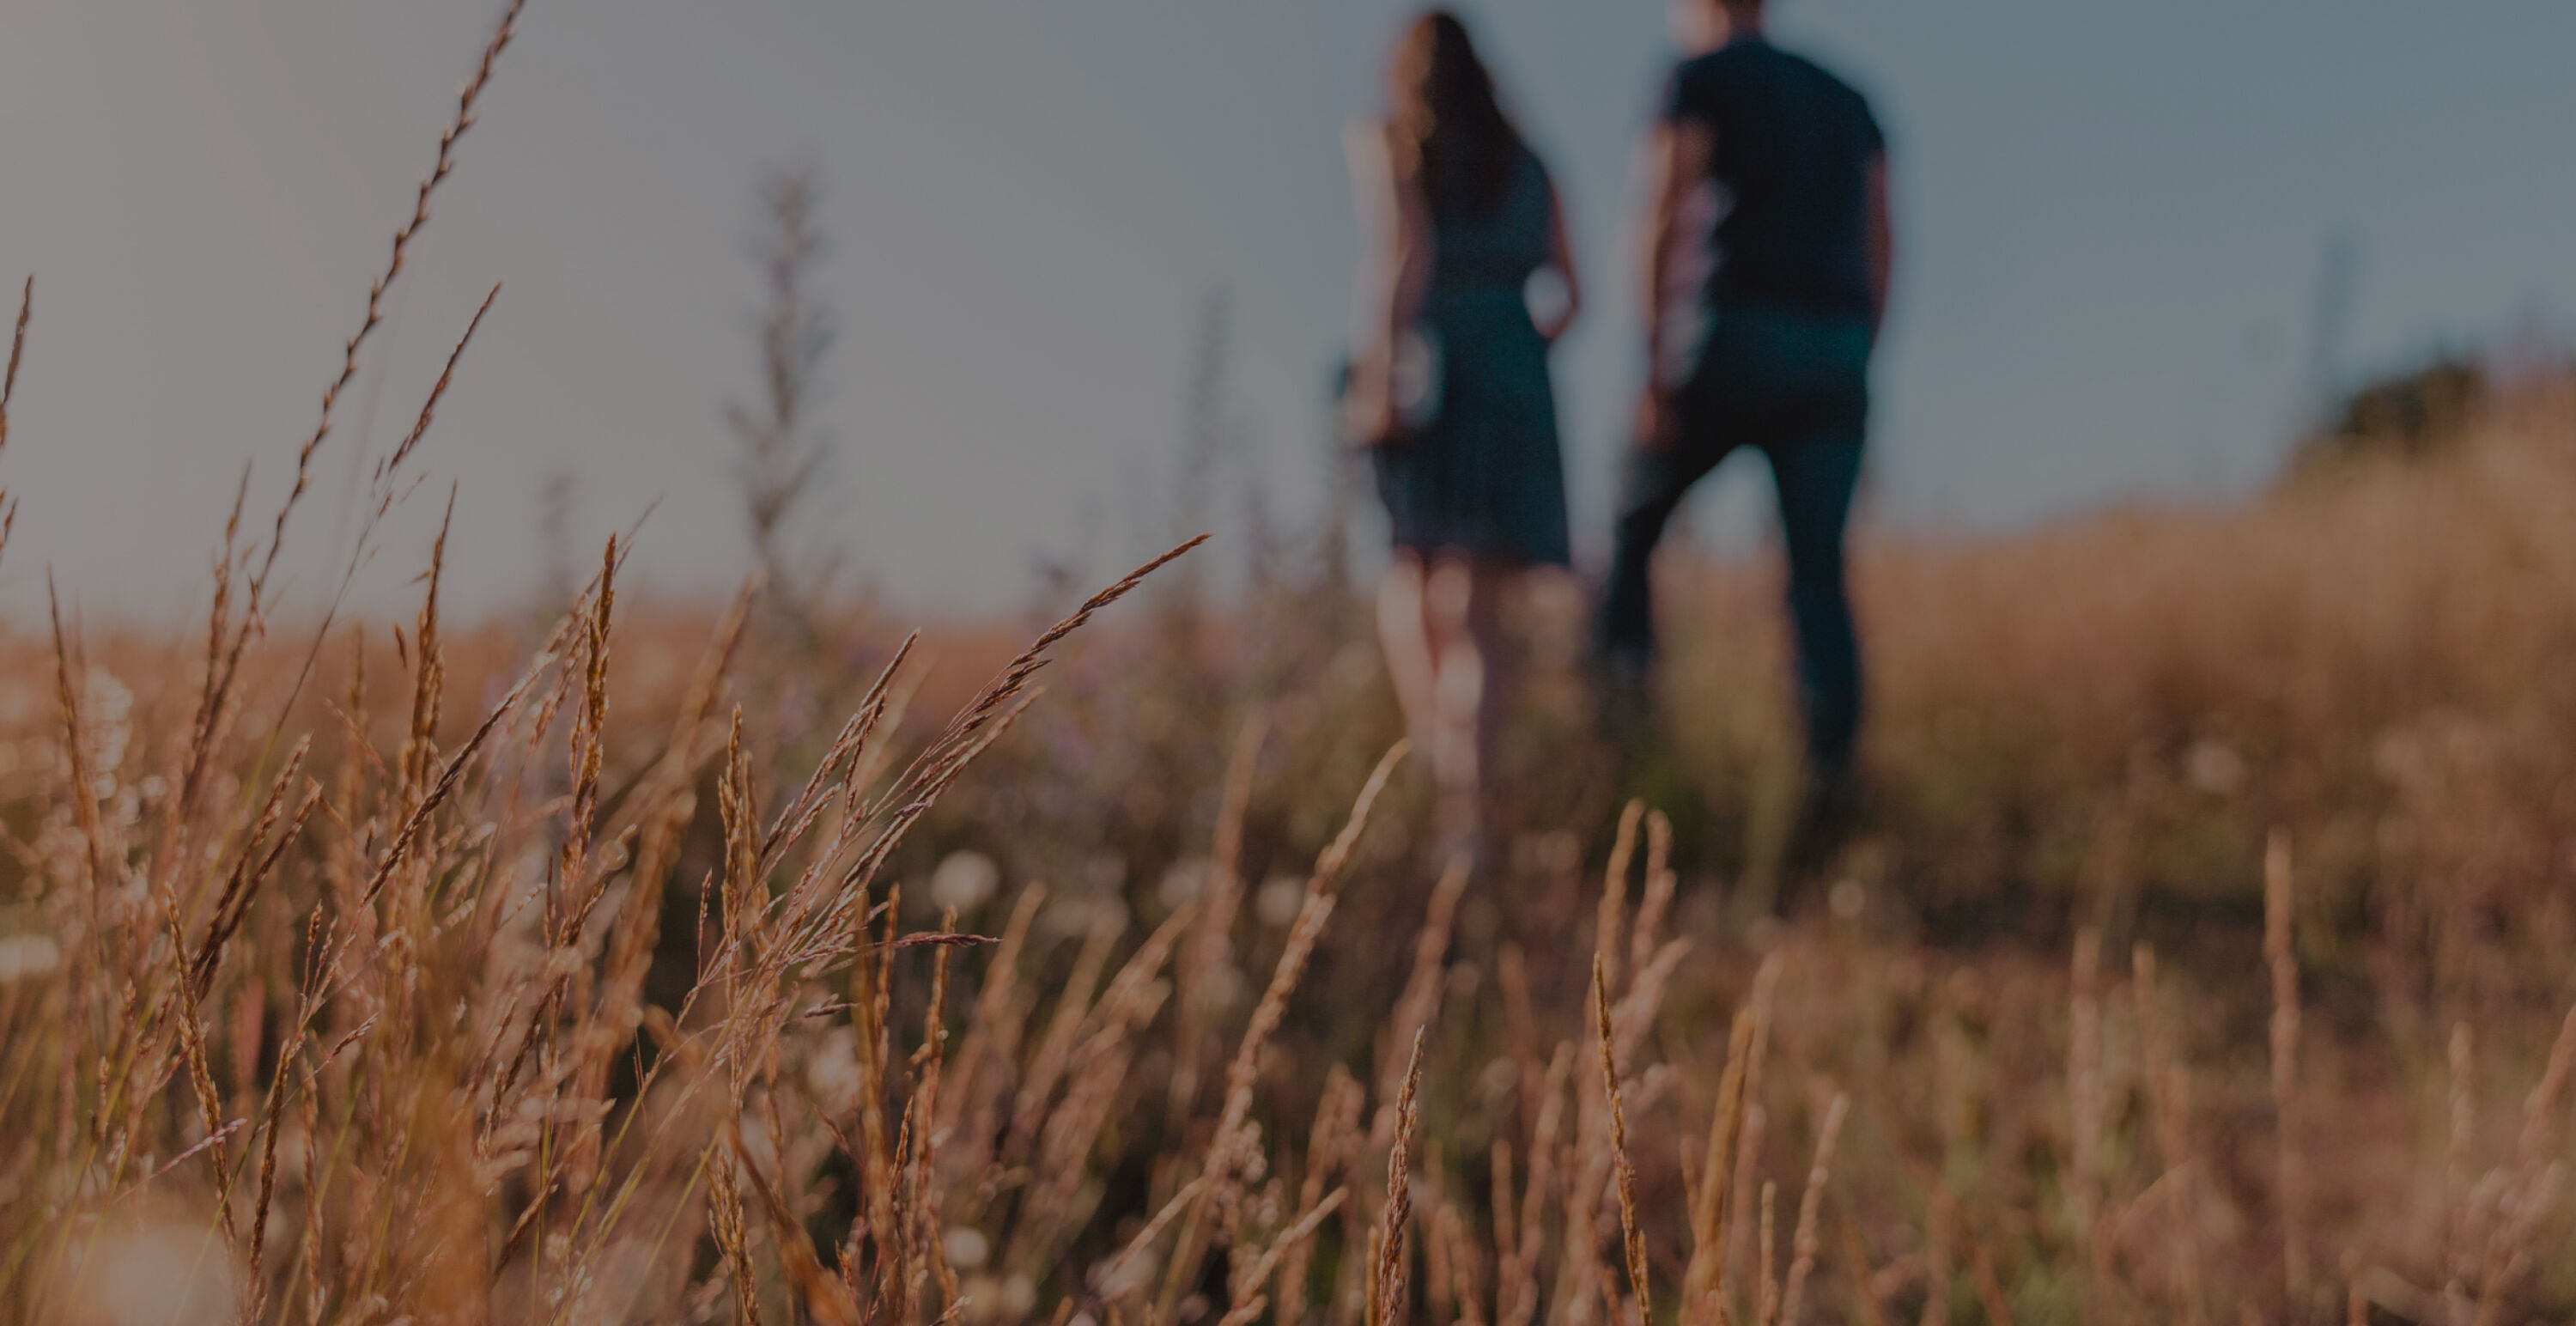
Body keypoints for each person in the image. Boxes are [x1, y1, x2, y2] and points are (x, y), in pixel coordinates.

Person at [1602, 0, 1892, 874]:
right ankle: (1832, 787)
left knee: (1630, 532)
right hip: (1837, 344)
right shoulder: (1848, 96)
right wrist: (1858, 347)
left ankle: (1624, 749)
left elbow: (1663, 205)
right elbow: (1884, 236)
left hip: (1734, 331)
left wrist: (1654, 367)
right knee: (1817, 574)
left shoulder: (1698, 77)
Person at [1345, 10, 1581, 865]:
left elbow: (1400, 253)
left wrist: (1380, 375)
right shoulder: (1532, 160)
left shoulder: (1390, 138)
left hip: (1432, 363)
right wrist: (1517, 357)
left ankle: (1441, 781)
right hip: (1517, 368)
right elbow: (1571, 289)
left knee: (1412, 570)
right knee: (1483, 608)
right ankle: (1469, 816)